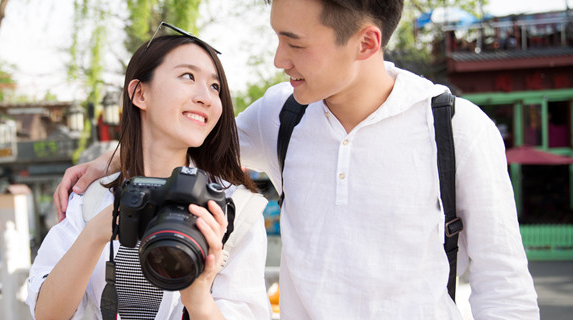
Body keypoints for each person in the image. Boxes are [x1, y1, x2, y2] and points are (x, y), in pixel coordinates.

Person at [53, 0, 540, 318]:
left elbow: (505, 289)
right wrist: (108, 162)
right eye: (278, 37)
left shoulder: (455, 129)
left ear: (366, 43)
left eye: (295, 43)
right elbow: (186, 133)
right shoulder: (281, 114)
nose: (278, 59)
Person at [27, 29, 270, 320]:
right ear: (140, 93)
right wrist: (96, 234)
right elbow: (46, 315)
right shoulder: (93, 199)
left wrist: (198, 298)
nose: (206, 97)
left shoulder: (234, 210)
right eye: (188, 77)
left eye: (215, 87)